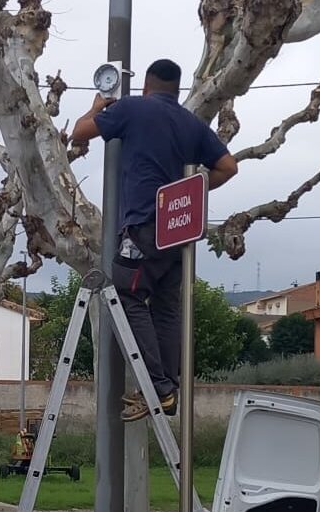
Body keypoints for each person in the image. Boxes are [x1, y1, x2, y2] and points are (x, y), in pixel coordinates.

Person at [70, 58, 238, 421]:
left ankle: (159, 387)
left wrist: (97, 107)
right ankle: (169, 389)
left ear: (146, 86)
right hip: (179, 234)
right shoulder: (192, 123)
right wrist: (193, 194)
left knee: (126, 293)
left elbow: (79, 133)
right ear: (176, 89)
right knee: (166, 308)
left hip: (143, 225)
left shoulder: (132, 109)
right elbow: (228, 167)